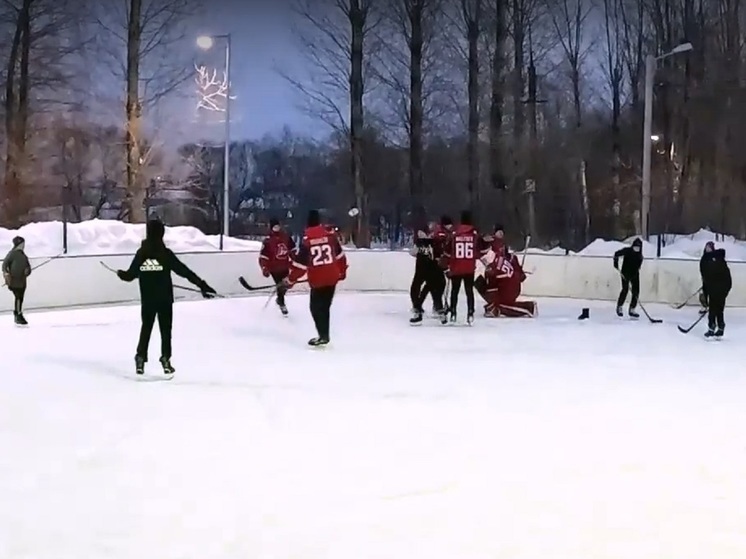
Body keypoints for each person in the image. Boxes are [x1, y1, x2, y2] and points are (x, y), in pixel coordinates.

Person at [116, 219, 217, 375]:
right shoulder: (165, 254)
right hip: (165, 299)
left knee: (146, 328)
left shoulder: (142, 254)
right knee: (165, 331)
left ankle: (141, 358)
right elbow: (184, 271)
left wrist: (121, 274)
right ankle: (165, 358)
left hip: (148, 299)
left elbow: (131, 275)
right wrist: (202, 285)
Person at [284, 209, 348, 346]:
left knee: (316, 308)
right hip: (332, 277)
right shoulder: (330, 236)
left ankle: (323, 336)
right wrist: (342, 272)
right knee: (325, 307)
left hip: (318, 280)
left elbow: (300, 266)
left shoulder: (307, 241)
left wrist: (290, 280)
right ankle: (324, 335)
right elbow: (340, 256)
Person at [443, 210, 488, 324]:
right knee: (469, 291)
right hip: (469, 267)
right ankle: (470, 313)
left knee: (454, 290)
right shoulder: (474, 234)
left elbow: (447, 251)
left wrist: (447, 263)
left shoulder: (455, 233)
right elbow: (482, 250)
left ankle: (453, 312)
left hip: (456, 267)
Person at [475, 249, 536, 317]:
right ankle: (496, 305)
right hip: (513, 288)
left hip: (508, 291)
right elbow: (522, 277)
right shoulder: (505, 258)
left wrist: (493, 302)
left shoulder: (491, 269)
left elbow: (491, 288)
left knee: (500, 305)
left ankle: (528, 308)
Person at [409, 216, 446, 324]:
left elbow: (414, 253)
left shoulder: (429, 242)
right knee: (430, 289)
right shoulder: (433, 242)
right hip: (428, 268)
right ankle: (434, 309)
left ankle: (420, 308)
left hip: (425, 268)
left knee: (424, 288)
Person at [259, 217, 296, 315]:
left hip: (285, 266)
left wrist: (295, 260)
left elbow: (293, 250)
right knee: (280, 285)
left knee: (287, 285)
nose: (277, 228)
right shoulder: (267, 241)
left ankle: (280, 299)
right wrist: (264, 268)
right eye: (274, 226)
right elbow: (263, 256)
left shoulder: (286, 237)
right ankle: (282, 303)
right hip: (274, 268)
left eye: (278, 226)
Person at [700, 241, 731, 338]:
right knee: (717, 309)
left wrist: (724, 288)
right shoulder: (706, 260)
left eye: (710, 247)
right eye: (707, 247)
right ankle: (720, 327)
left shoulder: (716, 259)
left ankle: (712, 328)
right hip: (715, 288)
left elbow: (723, 275)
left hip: (719, 289)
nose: (708, 249)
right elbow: (705, 277)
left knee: (715, 309)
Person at [2, 236, 31, 325]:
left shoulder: (23, 255)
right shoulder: (12, 254)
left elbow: (28, 267)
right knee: (18, 297)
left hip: (22, 281)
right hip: (14, 281)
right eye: (22, 244)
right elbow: (4, 265)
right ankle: (18, 314)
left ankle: (18, 313)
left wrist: (27, 271)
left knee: (20, 297)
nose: (23, 246)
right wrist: (7, 274)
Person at [613, 237, 643, 318]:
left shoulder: (640, 257)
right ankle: (619, 306)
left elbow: (638, 267)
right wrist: (615, 262)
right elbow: (617, 254)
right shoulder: (627, 251)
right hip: (625, 273)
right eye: (635, 247)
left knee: (636, 291)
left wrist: (634, 276)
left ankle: (632, 308)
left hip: (635, 274)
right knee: (625, 289)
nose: (636, 249)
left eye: (638, 248)